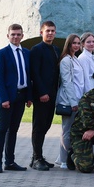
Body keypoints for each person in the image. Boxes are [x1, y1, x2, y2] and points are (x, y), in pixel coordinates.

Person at [0, 24, 32, 173]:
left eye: (18, 34)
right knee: (2, 129)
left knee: (14, 130)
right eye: (13, 34)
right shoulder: (2, 54)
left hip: (21, 97)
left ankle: (10, 161)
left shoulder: (26, 53)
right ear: (7, 36)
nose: (15, 37)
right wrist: (4, 98)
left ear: (22, 36)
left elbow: (29, 76)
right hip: (7, 98)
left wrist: (29, 97)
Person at [28, 20, 61, 171]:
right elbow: (34, 73)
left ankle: (38, 156)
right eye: (48, 31)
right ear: (41, 32)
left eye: (53, 31)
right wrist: (41, 93)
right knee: (39, 126)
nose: (50, 33)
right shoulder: (36, 49)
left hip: (53, 94)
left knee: (46, 125)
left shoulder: (55, 49)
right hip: (42, 95)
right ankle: (36, 158)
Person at [56, 34, 85, 170]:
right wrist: (73, 102)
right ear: (69, 44)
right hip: (69, 100)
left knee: (72, 129)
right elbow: (67, 82)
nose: (76, 46)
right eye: (74, 43)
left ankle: (65, 157)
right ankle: (63, 160)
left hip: (78, 98)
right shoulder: (66, 60)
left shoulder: (76, 59)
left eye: (78, 43)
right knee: (66, 130)